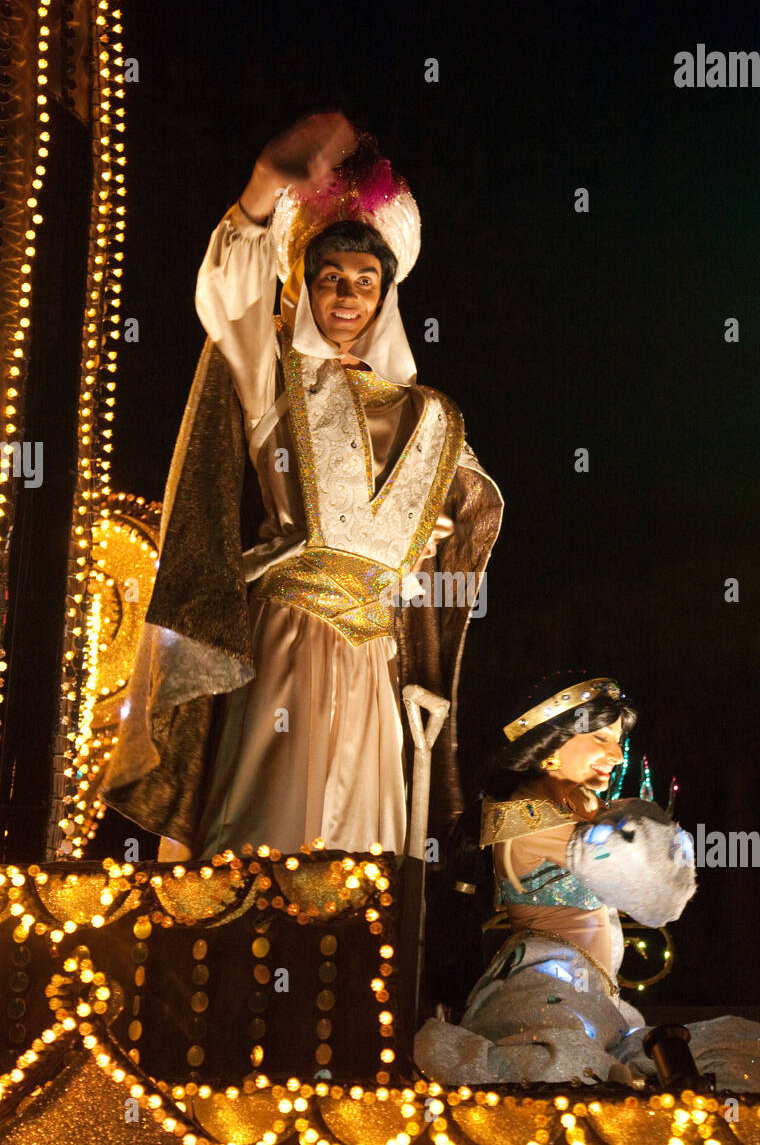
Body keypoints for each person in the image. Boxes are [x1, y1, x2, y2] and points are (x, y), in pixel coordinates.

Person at [100, 113, 503, 862]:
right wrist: (263, 188)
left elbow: (452, 520)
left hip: (377, 654)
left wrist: (424, 545)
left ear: (385, 294)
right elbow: (229, 299)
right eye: (330, 279)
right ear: (306, 289)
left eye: (364, 281)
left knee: (363, 854)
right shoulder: (277, 380)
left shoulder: (428, 413)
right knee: (271, 836)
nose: (347, 296)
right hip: (288, 630)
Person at [414, 676, 760, 1090]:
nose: (616, 754)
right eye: (600, 737)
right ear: (550, 745)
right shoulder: (521, 817)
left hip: (595, 997)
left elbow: (657, 888)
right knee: (565, 1073)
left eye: (617, 740)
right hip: (545, 991)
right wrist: (642, 828)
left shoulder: (580, 807)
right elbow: (656, 894)